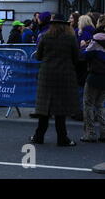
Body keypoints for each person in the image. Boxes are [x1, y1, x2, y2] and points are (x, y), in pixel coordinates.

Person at [30, 14, 79, 147]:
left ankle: (39, 136)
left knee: (44, 108)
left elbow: (38, 56)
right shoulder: (70, 38)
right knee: (60, 109)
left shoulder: (45, 37)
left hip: (46, 74)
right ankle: (62, 138)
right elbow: (76, 57)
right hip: (64, 75)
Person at [80, 32, 105, 142]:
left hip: (94, 77)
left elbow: (83, 55)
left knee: (88, 104)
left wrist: (84, 45)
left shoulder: (95, 44)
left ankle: (90, 133)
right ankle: (104, 132)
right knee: (100, 105)